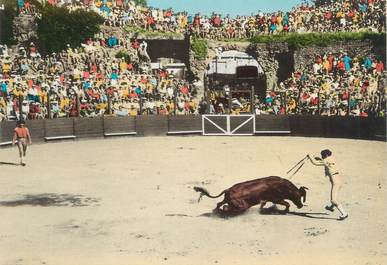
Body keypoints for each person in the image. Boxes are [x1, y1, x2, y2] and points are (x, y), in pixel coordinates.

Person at [307, 149, 348, 220]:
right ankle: (331, 207)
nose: (322, 157)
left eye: (322, 156)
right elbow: (324, 162)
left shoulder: (326, 160)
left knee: (333, 200)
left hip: (336, 183)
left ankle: (344, 213)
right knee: (334, 197)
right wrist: (317, 158)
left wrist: (310, 156)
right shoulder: (331, 158)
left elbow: (315, 163)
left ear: (325, 155)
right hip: (339, 181)